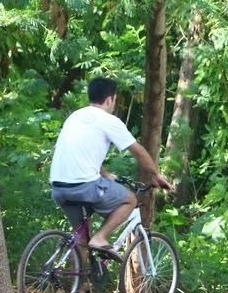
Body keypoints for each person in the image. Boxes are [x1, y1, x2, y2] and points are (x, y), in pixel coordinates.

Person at [49, 77, 172, 267]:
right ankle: (101, 238)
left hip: (58, 187)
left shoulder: (75, 116)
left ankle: (79, 287)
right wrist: (155, 175)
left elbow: (81, 154)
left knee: (80, 237)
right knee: (130, 199)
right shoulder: (108, 120)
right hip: (84, 186)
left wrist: (105, 174)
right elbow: (137, 150)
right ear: (109, 100)